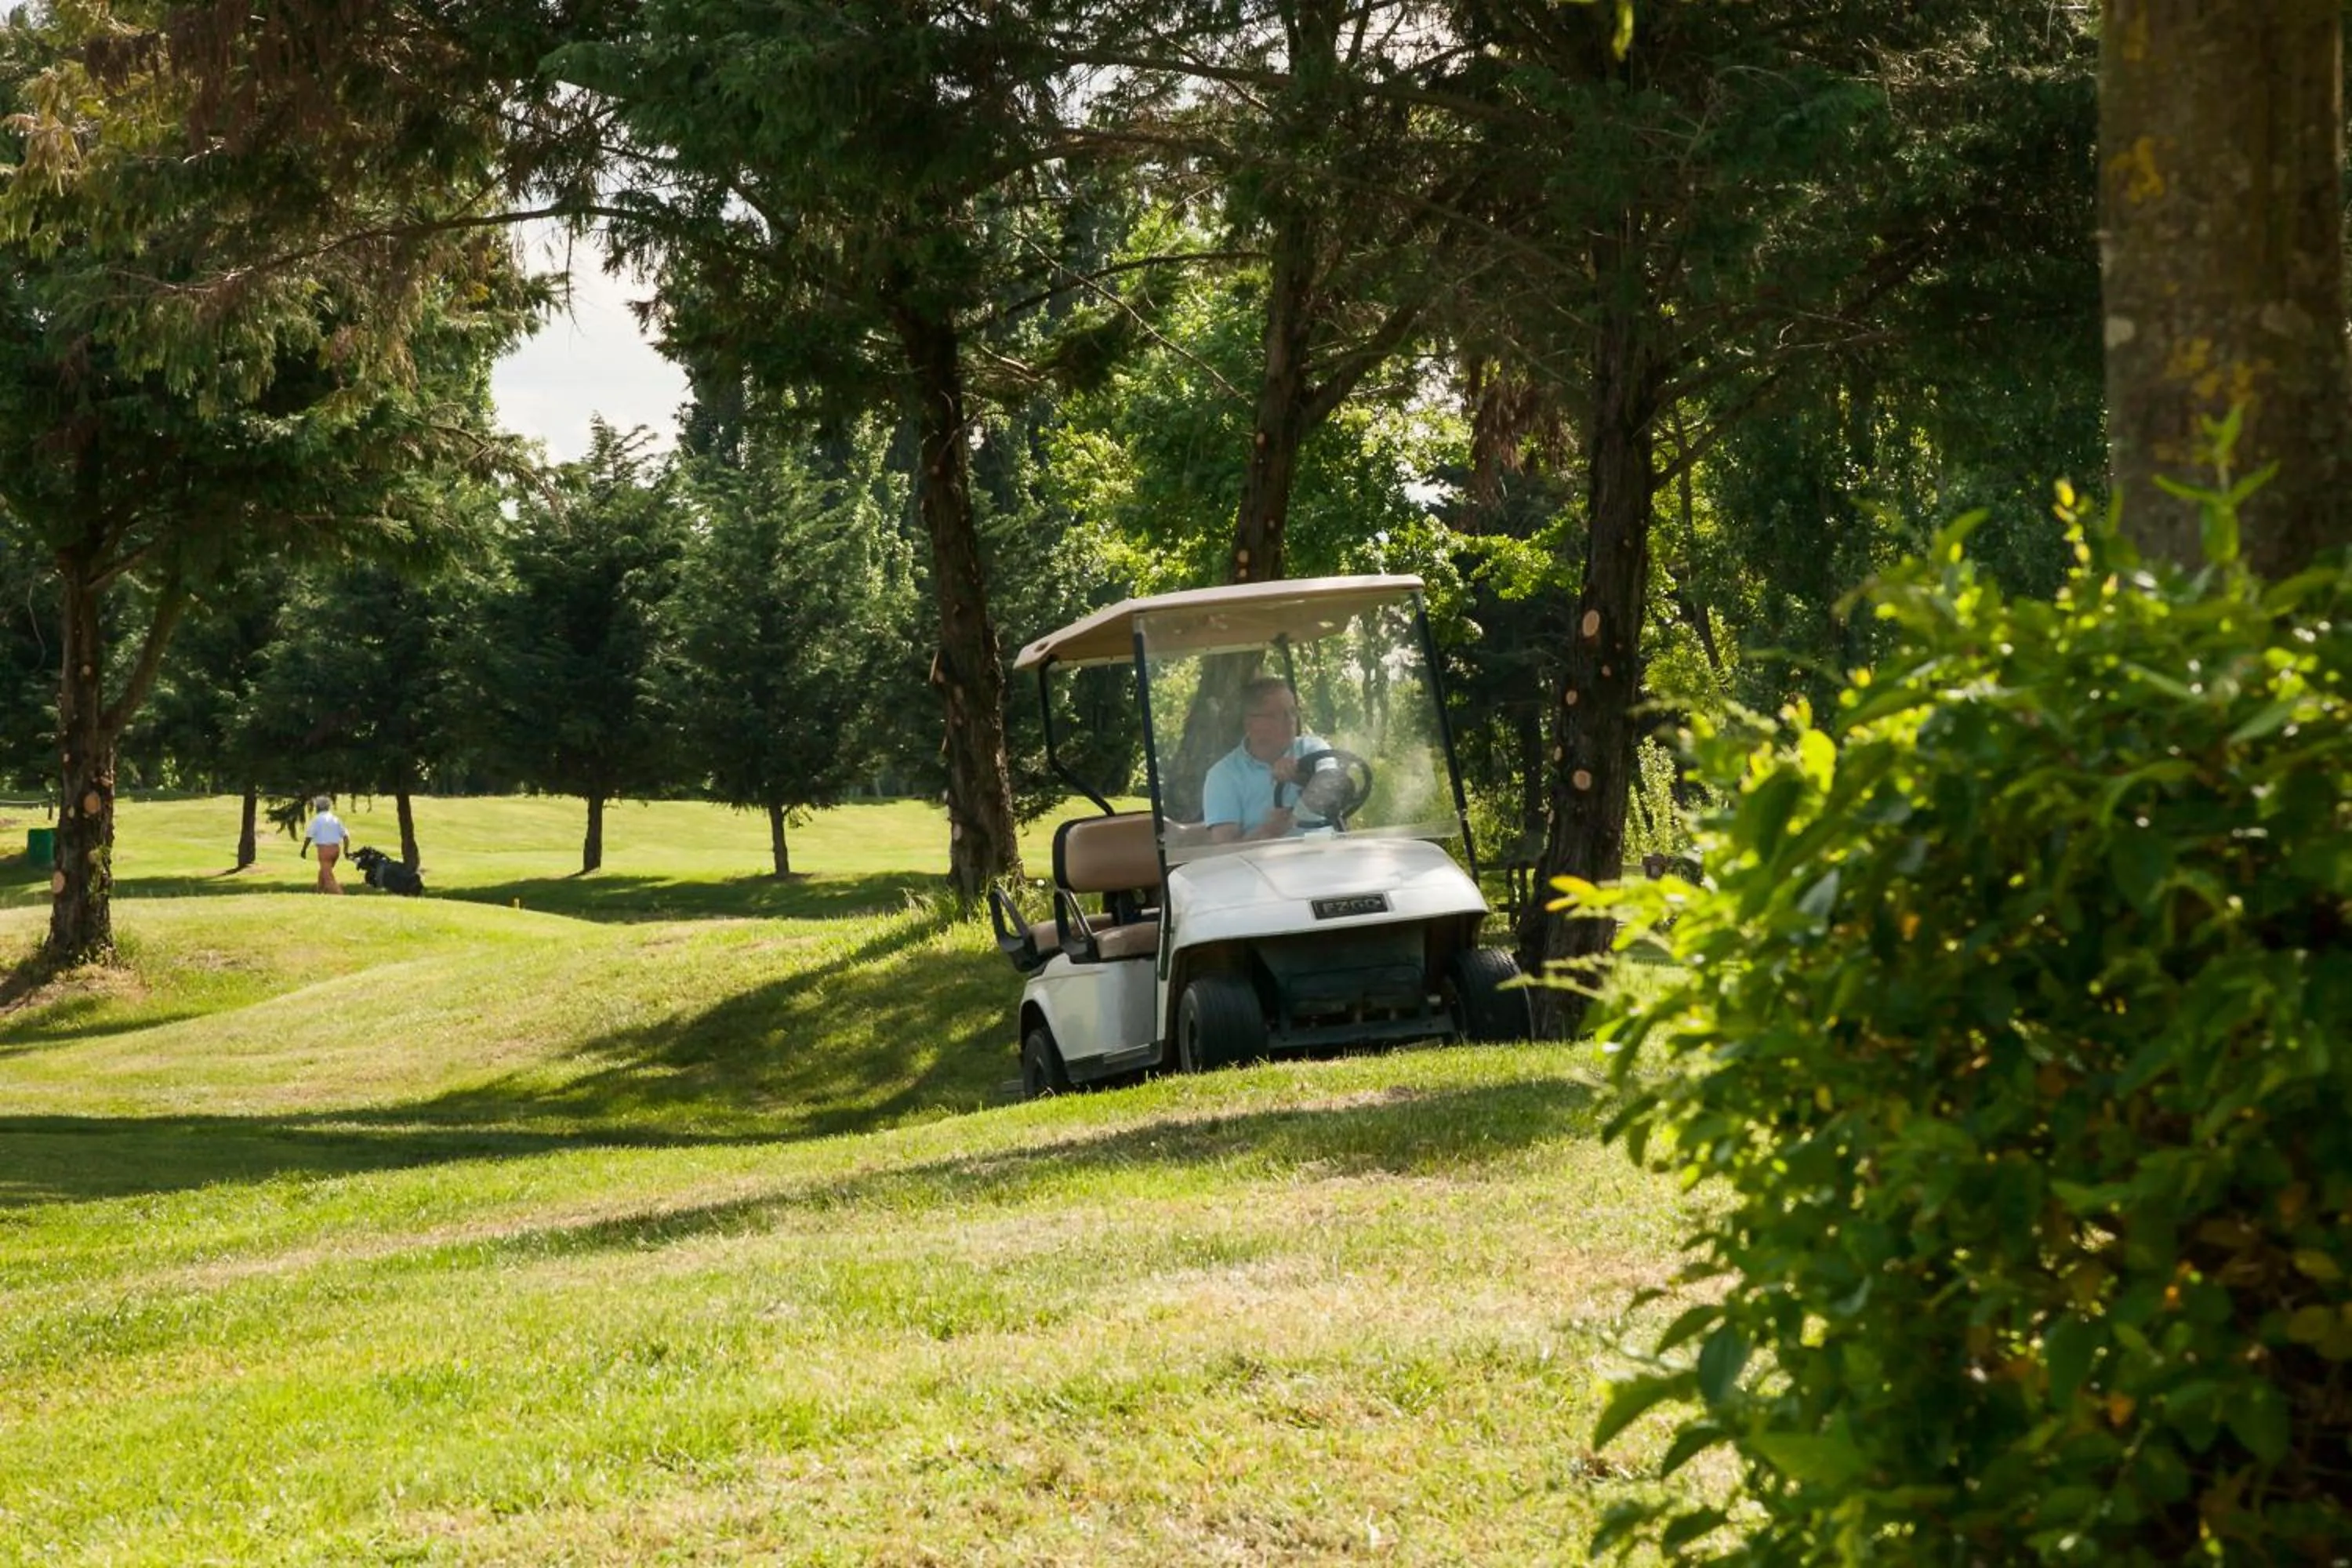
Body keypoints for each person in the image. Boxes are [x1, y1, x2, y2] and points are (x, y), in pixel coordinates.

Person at [1203, 676, 1325, 844]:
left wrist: (1299, 777)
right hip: (1265, 866)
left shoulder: (1314, 749)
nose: (1290, 721)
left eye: (1292, 712)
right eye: (1277, 715)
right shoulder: (1224, 776)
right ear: (1249, 723)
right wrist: (1268, 832)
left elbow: (1336, 785)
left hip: (1326, 855)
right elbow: (1224, 850)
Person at [302, 794, 349, 895]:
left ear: (318, 807)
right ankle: (319, 891)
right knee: (324, 871)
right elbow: (346, 836)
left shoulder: (316, 820)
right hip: (336, 849)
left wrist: (304, 849)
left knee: (328, 877)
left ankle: (339, 894)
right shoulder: (336, 819)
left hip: (324, 850)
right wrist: (345, 850)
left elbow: (309, 836)